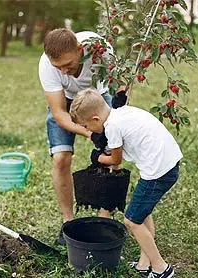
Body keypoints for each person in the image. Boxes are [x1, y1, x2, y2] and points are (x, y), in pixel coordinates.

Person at [69, 89, 182, 278]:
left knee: (131, 220)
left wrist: (97, 157)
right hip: (167, 163)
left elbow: (115, 160)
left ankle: (162, 268)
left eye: (87, 126)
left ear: (96, 119)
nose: (88, 131)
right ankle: (144, 264)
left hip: (158, 173)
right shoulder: (121, 111)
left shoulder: (112, 127)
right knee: (143, 214)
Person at [38, 28, 127, 245]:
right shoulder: (47, 66)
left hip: (97, 96)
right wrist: (88, 132)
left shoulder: (100, 50)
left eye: (68, 64)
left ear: (79, 50)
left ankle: (104, 218)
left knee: (111, 150)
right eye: (58, 67)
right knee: (61, 158)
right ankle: (68, 223)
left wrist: (118, 103)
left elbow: (121, 83)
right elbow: (59, 113)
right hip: (66, 101)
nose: (64, 71)